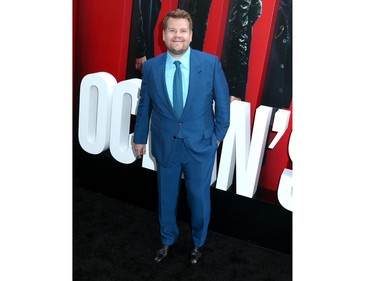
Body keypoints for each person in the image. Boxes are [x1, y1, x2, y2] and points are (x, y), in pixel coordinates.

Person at [133, 9, 230, 265]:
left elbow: (223, 104)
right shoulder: (151, 67)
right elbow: (145, 106)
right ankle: (167, 239)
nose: (178, 36)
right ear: (164, 35)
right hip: (166, 145)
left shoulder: (210, 64)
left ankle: (198, 243)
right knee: (166, 196)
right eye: (172, 30)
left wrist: (217, 137)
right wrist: (140, 137)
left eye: (183, 31)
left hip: (200, 145)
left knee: (198, 198)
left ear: (191, 35)